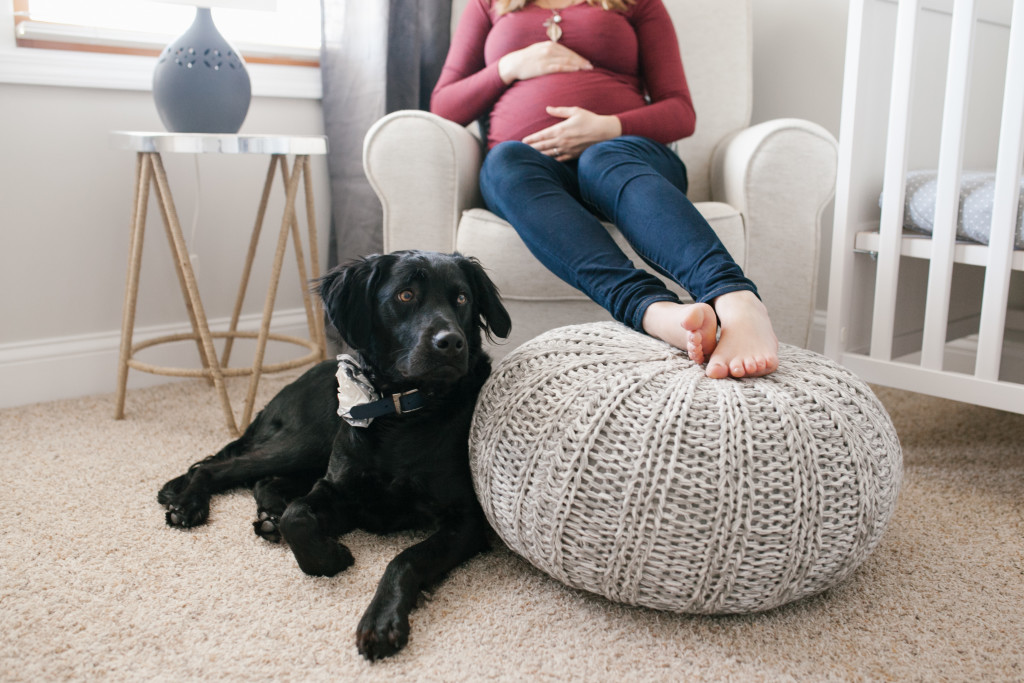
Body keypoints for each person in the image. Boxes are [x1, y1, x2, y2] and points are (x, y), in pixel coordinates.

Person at [430, 0, 779, 379]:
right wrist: (507, 67)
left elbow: (680, 111)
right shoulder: (489, 5)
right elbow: (444, 106)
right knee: (504, 162)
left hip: (627, 155)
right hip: (533, 175)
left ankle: (736, 299)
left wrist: (609, 126)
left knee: (601, 158)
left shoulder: (636, 3)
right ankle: (656, 312)